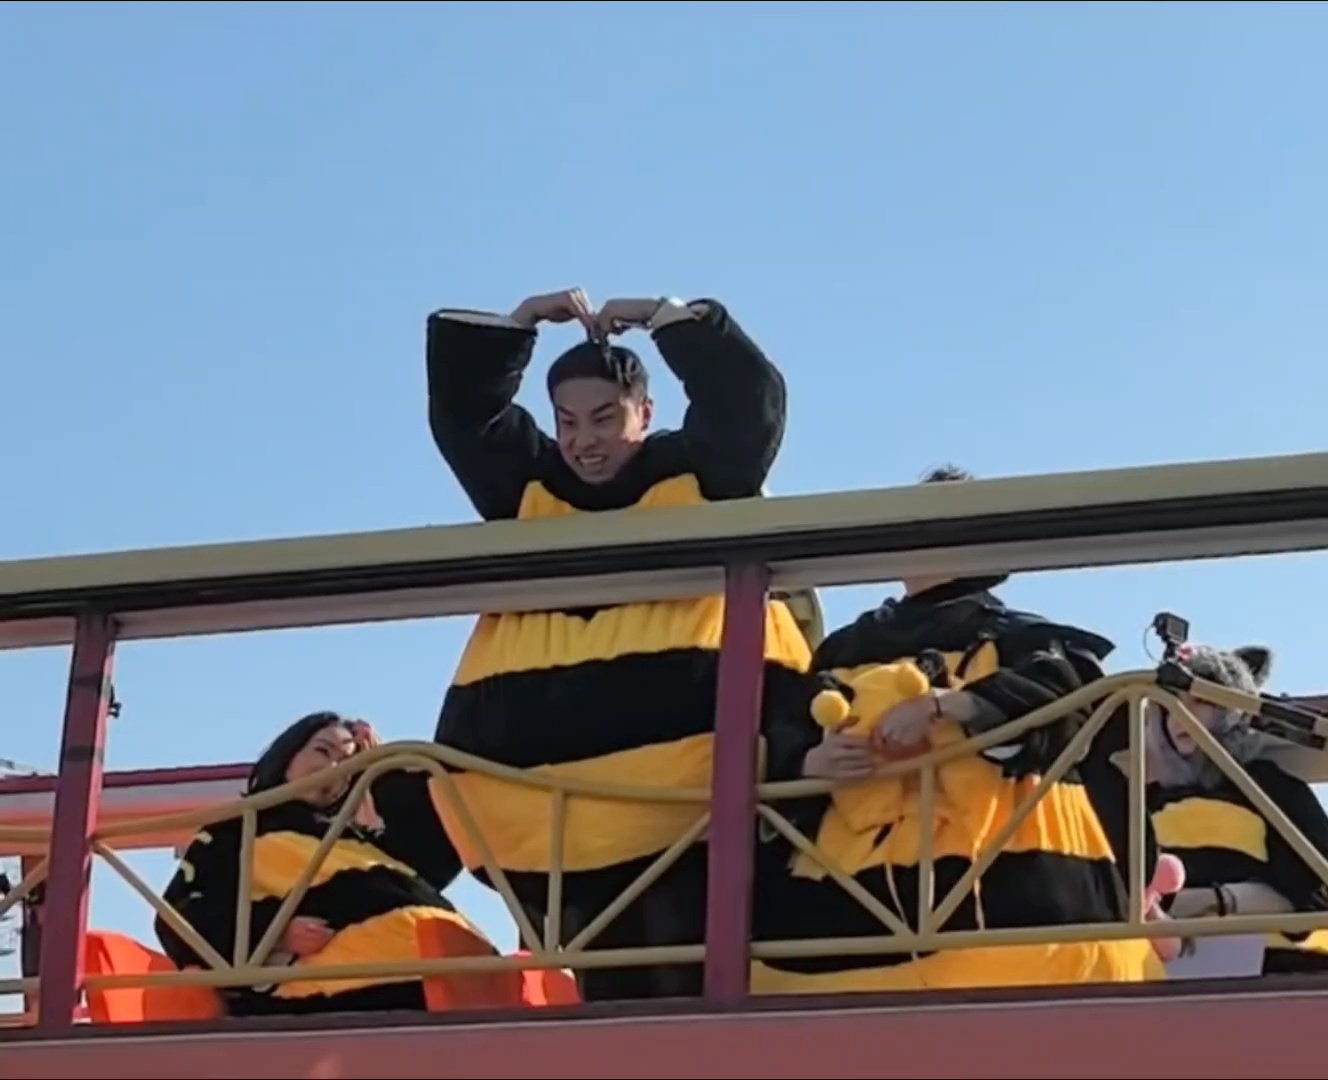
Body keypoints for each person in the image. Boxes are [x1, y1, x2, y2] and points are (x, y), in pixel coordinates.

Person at [425, 288, 817, 1001]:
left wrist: (669, 318)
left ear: (645, 412)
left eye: (604, 418)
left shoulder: (701, 475)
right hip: (558, 826)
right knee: (611, 995)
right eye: (568, 421)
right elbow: (466, 418)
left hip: (694, 811)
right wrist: (517, 325)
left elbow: (747, 402)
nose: (585, 440)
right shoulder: (531, 490)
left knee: (701, 983)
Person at [750, 465, 1161, 994]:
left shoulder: (1021, 638)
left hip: (1004, 897)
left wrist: (951, 705)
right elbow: (781, 729)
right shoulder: (843, 649)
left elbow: (1068, 703)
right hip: (839, 906)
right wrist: (808, 762)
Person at [156, 712, 512, 1015]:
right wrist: (275, 931)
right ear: (288, 754)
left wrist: (382, 771)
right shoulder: (237, 829)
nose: (333, 767)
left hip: (459, 985)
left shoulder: (358, 839)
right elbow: (178, 919)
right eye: (322, 750)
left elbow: (436, 859)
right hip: (351, 995)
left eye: (348, 763)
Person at [1146, 644, 1328, 973]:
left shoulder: (1269, 786)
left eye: (1200, 701)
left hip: (1280, 973)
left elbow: (1316, 893)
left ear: (1232, 713)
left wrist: (1212, 901)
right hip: (1163, 978)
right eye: (1170, 703)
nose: (1180, 714)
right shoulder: (1145, 800)